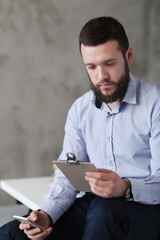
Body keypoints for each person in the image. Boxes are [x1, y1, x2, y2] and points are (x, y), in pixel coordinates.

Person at [1, 16, 160, 240]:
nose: (101, 76)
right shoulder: (80, 109)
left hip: (147, 210)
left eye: (109, 64)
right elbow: (67, 176)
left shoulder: (155, 105)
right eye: (91, 67)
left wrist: (125, 187)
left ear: (128, 56)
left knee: (104, 212)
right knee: (10, 234)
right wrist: (46, 215)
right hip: (97, 207)